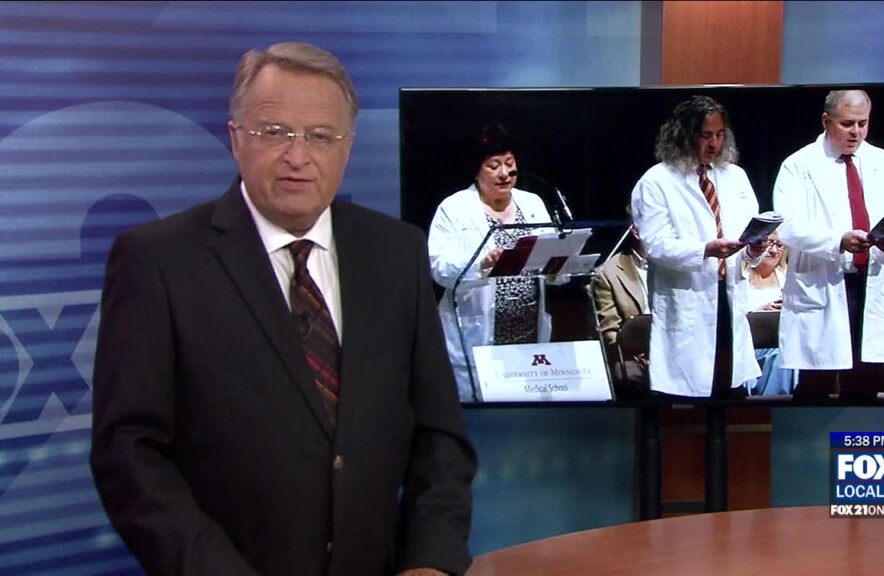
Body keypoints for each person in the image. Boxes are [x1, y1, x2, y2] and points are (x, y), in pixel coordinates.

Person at [90, 42, 476, 576]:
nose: (298, 156)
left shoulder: (396, 253)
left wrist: (431, 562)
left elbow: (441, 436)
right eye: (275, 133)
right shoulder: (158, 262)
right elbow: (129, 455)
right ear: (235, 139)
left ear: (348, 147)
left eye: (321, 136)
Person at [773, 89, 884, 398]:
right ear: (826, 121)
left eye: (862, 123)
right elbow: (787, 225)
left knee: (866, 384)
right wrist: (837, 240)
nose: (856, 131)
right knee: (816, 384)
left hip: (873, 282)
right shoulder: (799, 164)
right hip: (824, 282)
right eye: (847, 123)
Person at [630, 95, 767, 398]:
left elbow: (746, 237)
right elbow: (656, 245)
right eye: (706, 135)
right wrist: (706, 249)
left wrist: (755, 250)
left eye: (719, 135)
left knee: (729, 391)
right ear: (684, 134)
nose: (714, 144)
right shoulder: (656, 182)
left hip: (728, 295)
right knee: (688, 394)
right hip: (687, 300)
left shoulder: (735, 177)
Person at [427, 123, 554, 401]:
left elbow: (549, 252)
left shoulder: (532, 203)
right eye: (494, 165)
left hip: (528, 335)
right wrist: (480, 265)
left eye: (509, 164)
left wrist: (558, 268)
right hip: (477, 337)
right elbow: (437, 265)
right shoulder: (455, 208)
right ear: (476, 171)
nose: (504, 173)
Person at [591, 205, 650, 391]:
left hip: (683, 349)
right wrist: (640, 354)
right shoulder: (608, 273)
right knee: (626, 372)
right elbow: (610, 331)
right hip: (637, 355)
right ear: (636, 231)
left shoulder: (683, 264)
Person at [740, 232, 797, 395]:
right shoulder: (741, 279)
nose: (774, 251)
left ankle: (774, 403)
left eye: (779, 245)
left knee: (782, 355)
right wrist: (759, 311)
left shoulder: (788, 280)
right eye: (769, 244)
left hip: (780, 342)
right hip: (749, 344)